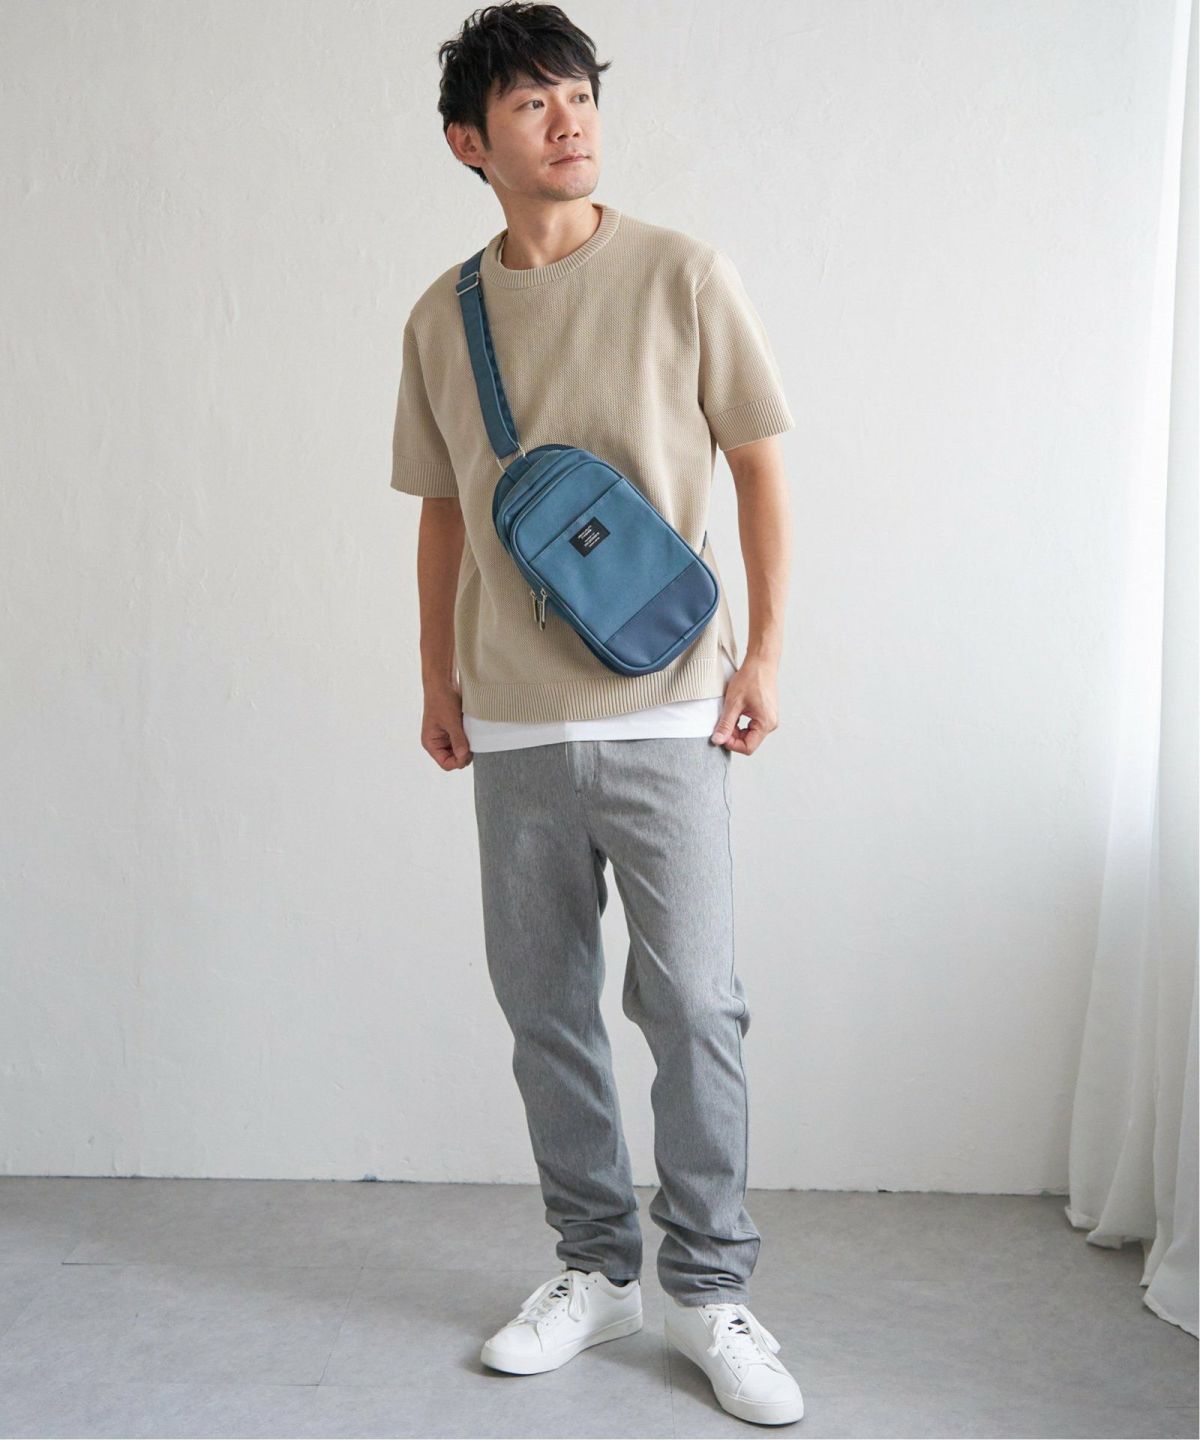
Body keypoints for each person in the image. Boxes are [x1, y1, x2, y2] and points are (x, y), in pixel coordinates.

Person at [389, 2, 803, 1426]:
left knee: (696, 1006)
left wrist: (764, 656)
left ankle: (709, 1286)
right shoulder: (440, 316)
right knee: (547, 1012)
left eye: (580, 94)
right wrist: (436, 676)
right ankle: (597, 1268)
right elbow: (444, 511)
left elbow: (759, 466)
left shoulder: (684, 273)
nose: (569, 121)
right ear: (471, 142)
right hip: (510, 718)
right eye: (532, 104)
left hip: (671, 704)